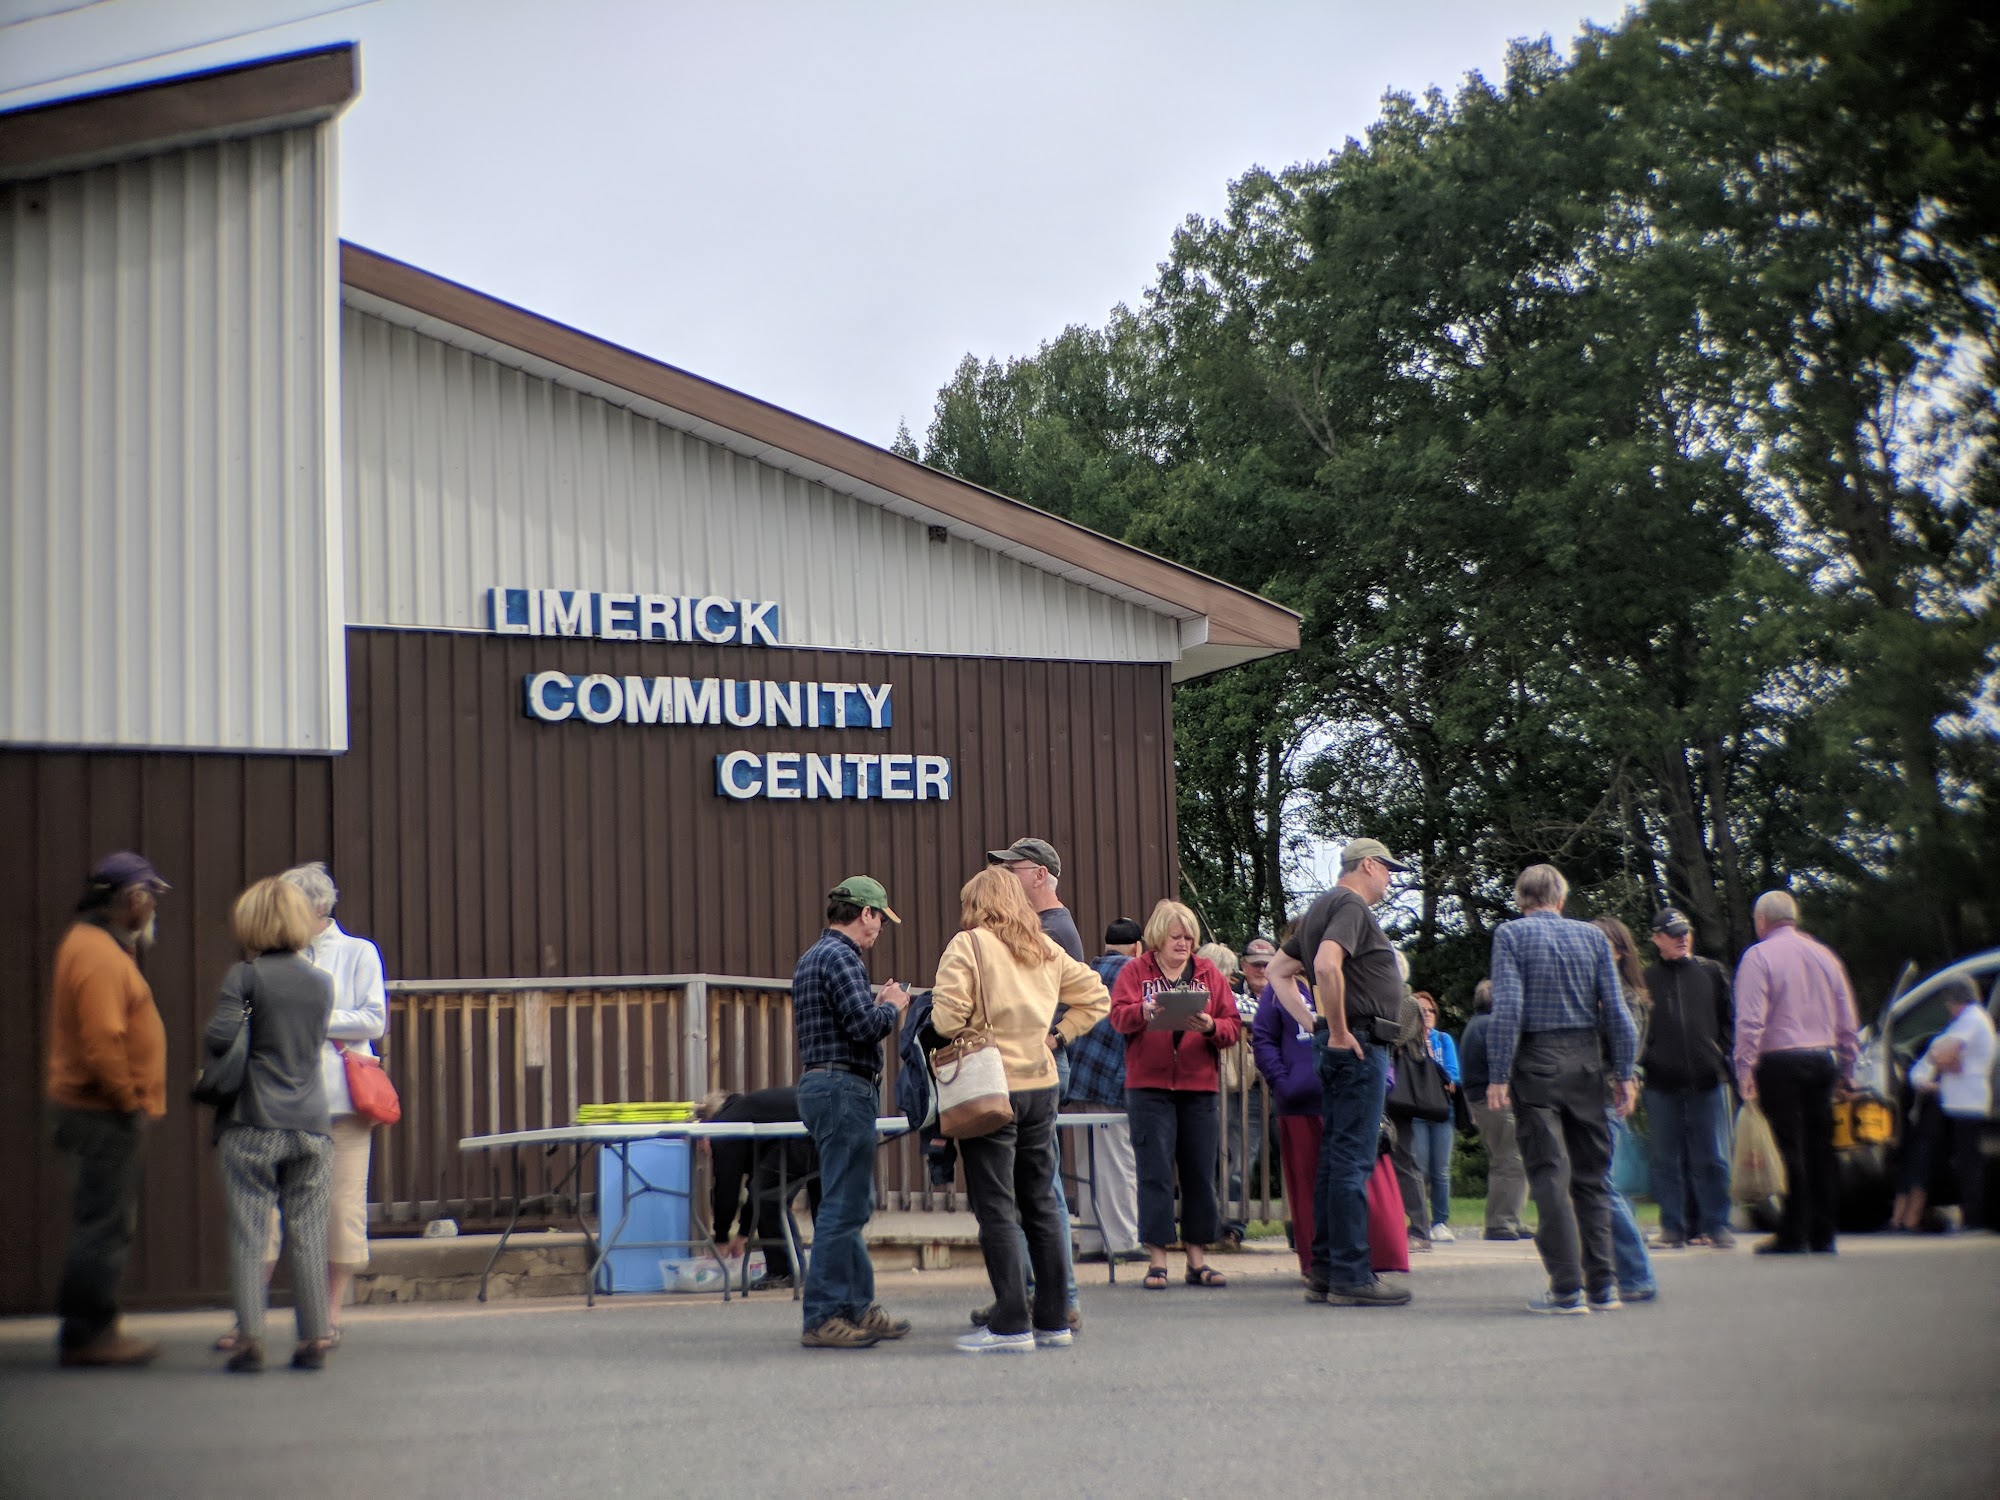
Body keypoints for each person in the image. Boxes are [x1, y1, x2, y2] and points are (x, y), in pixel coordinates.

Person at [932, 868, 1109, 1352]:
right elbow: (1097, 997)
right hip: (1041, 1083)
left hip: (990, 1086)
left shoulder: (968, 945)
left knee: (996, 1206)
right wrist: (1057, 1037)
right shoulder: (1045, 948)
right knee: (1041, 1202)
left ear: (977, 904)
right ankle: (1052, 1319)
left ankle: (1010, 1322)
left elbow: (946, 1018)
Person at [215, 862, 387, 1356]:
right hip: (292, 1104)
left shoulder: (357, 952)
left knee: (339, 1209)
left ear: (315, 909)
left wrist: (300, 1018)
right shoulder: (283, 962)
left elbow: (374, 1020)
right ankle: (255, 1318)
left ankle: (327, 1315)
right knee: (271, 1219)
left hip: (341, 1100)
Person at [1266, 836, 1416, 1308]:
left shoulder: (1320, 909)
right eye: (1387, 869)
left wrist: (1311, 1021)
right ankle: (1351, 1275)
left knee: (1334, 1159)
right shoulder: (1350, 905)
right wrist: (1336, 1029)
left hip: (1341, 1046)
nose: (1389, 879)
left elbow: (1277, 970)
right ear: (1368, 865)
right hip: (1359, 1045)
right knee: (1353, 1160)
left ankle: (1326, 1270)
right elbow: (1328, 964)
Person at [1486, 864, 1638, 1315]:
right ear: (1561, 898)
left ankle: (1567, 1287)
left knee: (1549, 1174)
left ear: (1521, 900)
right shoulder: (1593, 937)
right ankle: (1604, 1286)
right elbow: (1617, 1010)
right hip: (1586, 1063)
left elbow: (1508, 1007)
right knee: (1593, 1178)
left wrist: (1498, 1073)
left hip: (1535, 1062)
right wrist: (1625, 1072)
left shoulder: (1510, 935)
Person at [44, 852, 172, 1368]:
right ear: (134, 900)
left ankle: (91, 1327)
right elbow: (102, 1040)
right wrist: (128, 1100)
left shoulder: (96, 945)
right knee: (104, 1223)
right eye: (151, 898)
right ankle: (89, 1333)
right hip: (101, 1112)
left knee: (101, 1218)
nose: (154, 908)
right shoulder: (97, 954)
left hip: (97, 1109)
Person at [204, 876, 336, 1372]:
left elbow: (220, 1038)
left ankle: (250, 1339)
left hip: (254, 1120)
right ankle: (314, 1338)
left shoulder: (245, 977)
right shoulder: (321, 983)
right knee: (309, 1232)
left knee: (249, 1232)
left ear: (251, 923)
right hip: (313, 1122)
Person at [792, 875, 912, 1348]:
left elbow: (845, 1020)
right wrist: (892, 1006)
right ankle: (823, 1315)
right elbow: (864, 1027)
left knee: (849, 1204)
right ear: (865, 913)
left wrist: (873, 1003)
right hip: (845, 1088)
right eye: (880, 918)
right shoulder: (843, 958)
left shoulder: (812, 957)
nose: (880, 928)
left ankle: (859, 1306)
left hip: (822, 1084)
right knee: (843, 1208)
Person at [1108, 900, 1241, 1290]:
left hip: (1199, 1088)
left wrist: (1210, 1025)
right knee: (1155, 1174)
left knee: (1200, 1172)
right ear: (1157, 938)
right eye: (1175, 937)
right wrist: (1143, 1012)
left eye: (1188, 937)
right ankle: (1157, 1261)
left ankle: (1197, 1260)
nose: (1183, 944)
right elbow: (1117, 1017)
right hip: (1148, 1088)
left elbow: (1232, 1026)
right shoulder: (1135, 971)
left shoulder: (1209, 973)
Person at [981, 836, 1084, 1329]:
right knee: (1033, 1184)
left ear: (1040, 874)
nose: (1004, 878)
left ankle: (1058, 1297)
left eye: (1013, 869)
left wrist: (1054, 1038)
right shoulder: (1043, 926)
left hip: (1036, 1065)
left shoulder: (1050, 928)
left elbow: (1081, 998)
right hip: (1031, 1063)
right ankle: (1030, 1295)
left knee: (1041, 1187)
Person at [1733, 891, 1858, 1256]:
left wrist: (1744, 1068)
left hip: (1779, 1062)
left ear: (1761, 921)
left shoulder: (1758, 957)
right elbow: (1847, 1019)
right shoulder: (1825, 956)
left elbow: (1750, 1020)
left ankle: (1794, 1230)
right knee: (1821, 1146)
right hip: (1822, 1058)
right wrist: (1848, 1069)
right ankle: (1824, 1231)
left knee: (1789, 1146)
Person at [1641, 905, 1736, 1249]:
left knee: (1711, 1157)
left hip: (1706, 1079)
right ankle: (1673, 1226)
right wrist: (1648, 1060)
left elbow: (1729, 1019)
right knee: (1665, 1160)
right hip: (1660, 1083)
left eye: (1686, 933)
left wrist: (1721, 1055)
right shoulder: (1646, 980)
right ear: (1657, 939)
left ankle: (1717, 1225)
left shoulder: (1711, 972)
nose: (1682, 940)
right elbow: (1638, 1027)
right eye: (1674, 935)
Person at [1068, 918, 1144, 1261]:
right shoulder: (1135, 972)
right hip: (1112, 1082)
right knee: (1118, 1163)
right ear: (1138, 947)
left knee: (1088, 1164)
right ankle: (1123, 1242)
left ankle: (1092, 1242)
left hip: (1079, 1079)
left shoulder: (1089, 970)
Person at [1894, 978, 1996, 1233]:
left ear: (1956, 1001)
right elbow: (1944, 1056)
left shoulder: (1971, 1018)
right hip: (1956, 1101)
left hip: (1966, 1102)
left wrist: (1937, 1057)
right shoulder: (1968, 1021)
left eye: (1949, 1002)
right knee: (1958, 1159)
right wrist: (1943, 1060)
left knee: (1967, 1161)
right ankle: (1952, 1216)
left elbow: (1942, 1053)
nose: (1948, 1007)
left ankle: (1972, 1218)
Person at [1593, 916, 1659, 1302]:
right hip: (1594, 1094)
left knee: (1602, 1186)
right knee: (1602, 1186)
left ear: (1619, 952)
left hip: (1605, 1095)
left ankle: (1636, 1274)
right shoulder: (1598, 990)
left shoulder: (1625, 997)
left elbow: (1627, 1052)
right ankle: (1617, 1270)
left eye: (1600, 943)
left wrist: (1627, 1080)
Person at [696, 1086, 819, 1286]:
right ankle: (830, 1274)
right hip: (824, 1128)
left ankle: (784, 1272)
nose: (701, 1152)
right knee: (822, 1207)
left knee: (767, 1196)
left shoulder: (723, 1127)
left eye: (698, 1144)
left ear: (704, 1129)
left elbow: (727, 1187)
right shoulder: (748, 1113)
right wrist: (743, 1234)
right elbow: (756, 1186)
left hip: (802, 1135)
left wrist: (721, 1239)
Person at [1251, 955, 1320, 1276]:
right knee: (1305, 1190)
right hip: (1299, 1103)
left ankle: (1354, 1261)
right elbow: (1263, 1039)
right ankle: (1315, 1264)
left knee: (1349, 1184)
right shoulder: (1277, 990)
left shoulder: (1343, 979)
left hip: (1344, 1098)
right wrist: (1284, 1083)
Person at [1460, 980, 1527, 1240]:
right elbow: (1508, 1062)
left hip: (1480, 1101)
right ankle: (1502, 1221)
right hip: (1497, 1101)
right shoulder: (1492, 1026)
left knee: (1506, 1159)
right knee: (1511, 1160)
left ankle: (1511, 1217)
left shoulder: (1475, 1025)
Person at [1200, 941, 1256, 1243]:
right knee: (1232, 1154)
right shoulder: (1241, 1003)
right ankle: (1229, 1226)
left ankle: (1214, 1225)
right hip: (1230, 1086)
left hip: (1210, 1085)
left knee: (1210, 1156)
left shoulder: (1192, 999)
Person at [1410, 990, 1460, 1243]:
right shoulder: (1407, 1042)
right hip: (1416, 1111)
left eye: (1431, 1011)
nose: (1427, 1015)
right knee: (1419, 1169)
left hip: (1441, 1111)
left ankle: (1440, 1221)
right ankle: (1419, 1221)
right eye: (1422, 1011)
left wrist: (1435, 1068)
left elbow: (1453, 1076)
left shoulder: (1443, 1040)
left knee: (1441, 1170)